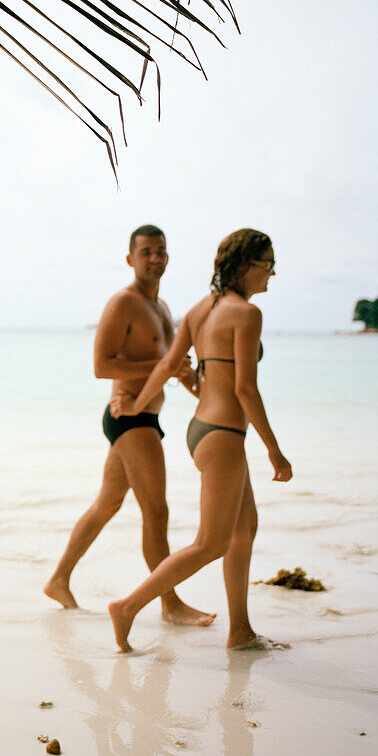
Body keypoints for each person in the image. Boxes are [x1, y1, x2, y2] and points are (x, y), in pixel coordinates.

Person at [107, 228, 292, 652]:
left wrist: (137, 405)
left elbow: (170, 364)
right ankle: (129, 606)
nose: (273, 274)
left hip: (202, 430)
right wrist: (274, 449)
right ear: (247, 266)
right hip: (225, 434)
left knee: (244, 528)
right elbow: (245, 389)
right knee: (210, 543)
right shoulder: (246, 314)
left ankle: (240, 630)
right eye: (268, 264)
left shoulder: (199, 309)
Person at [44, 225, 214, 627]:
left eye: (161, 251)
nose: (155, 258)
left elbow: (176, 368)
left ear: (168, 257)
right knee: (157, 512)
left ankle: (59, 578)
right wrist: (161, 367)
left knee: (108, 503)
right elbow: (102, 367)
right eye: (146, 252)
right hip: (130, 418)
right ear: (130, 259)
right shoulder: (123, 302)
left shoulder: (161, 307)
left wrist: (215, 399)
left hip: (144, 417)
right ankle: (170, 605)